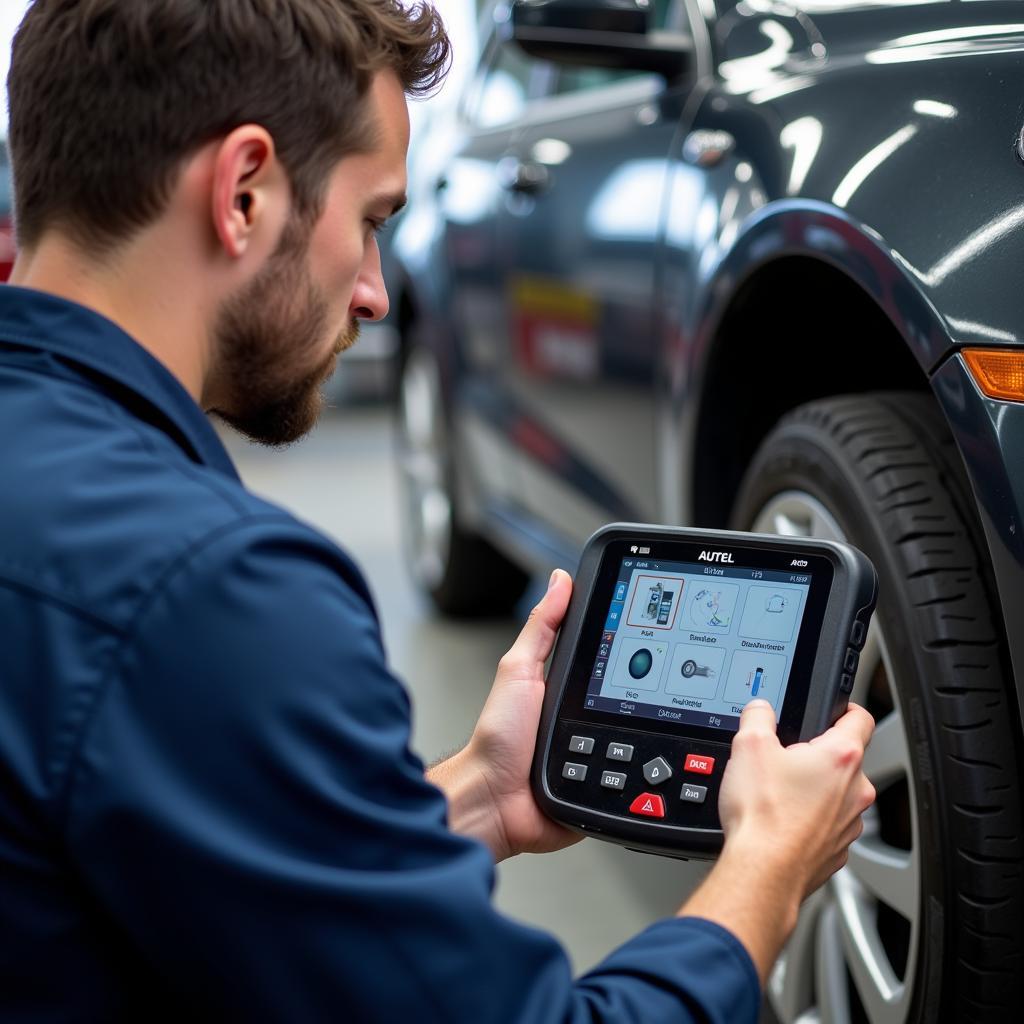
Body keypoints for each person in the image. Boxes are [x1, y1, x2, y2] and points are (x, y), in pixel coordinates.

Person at [0, 1, 875, 1021]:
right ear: (242, 192)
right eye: (370, 220)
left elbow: (175, 859)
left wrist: (472, 796)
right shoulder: (209, 588)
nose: (375, 293)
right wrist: (766, 868)